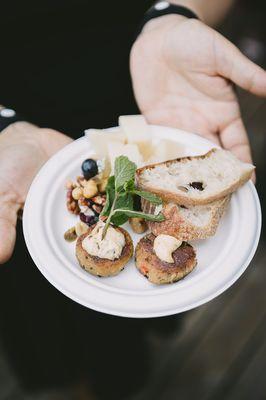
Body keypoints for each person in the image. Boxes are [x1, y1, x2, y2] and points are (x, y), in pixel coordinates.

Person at [0, 0, 265, 398]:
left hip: (151, 94)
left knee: (125, 336)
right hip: (20, 133)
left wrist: (171, 12)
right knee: (46, 326)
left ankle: (122, 378)